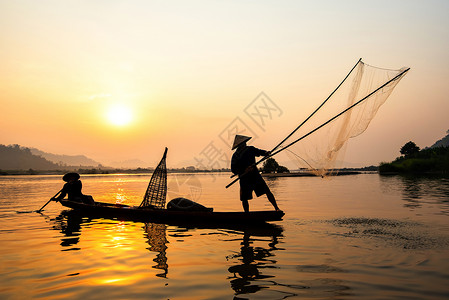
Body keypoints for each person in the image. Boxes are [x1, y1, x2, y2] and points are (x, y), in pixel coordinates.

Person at [231, 135, 280, 212]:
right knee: (244, 198)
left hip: (255, 175)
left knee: (267, 191)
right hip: (244, 178)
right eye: (243, 143)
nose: (244, 144)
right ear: (239, 145)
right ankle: (247, 214)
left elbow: (259, 152)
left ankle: (276, 208)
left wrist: (266, 153)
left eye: (244, 143)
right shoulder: (236, 155)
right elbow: (234, 169)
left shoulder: (250, 149)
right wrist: (244, 170)